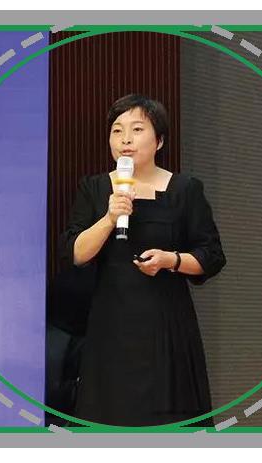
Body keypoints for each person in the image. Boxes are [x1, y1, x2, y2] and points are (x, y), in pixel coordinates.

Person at [58, 94, 227, 427]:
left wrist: (171, 260)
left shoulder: (185, 190)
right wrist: (110, 218)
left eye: (137, 129)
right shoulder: (95, 188)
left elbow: (211, 256)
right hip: (111, 326)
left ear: (159, 140)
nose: (125, 139)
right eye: (117, 130)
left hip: (167, 328)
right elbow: (75, 253)